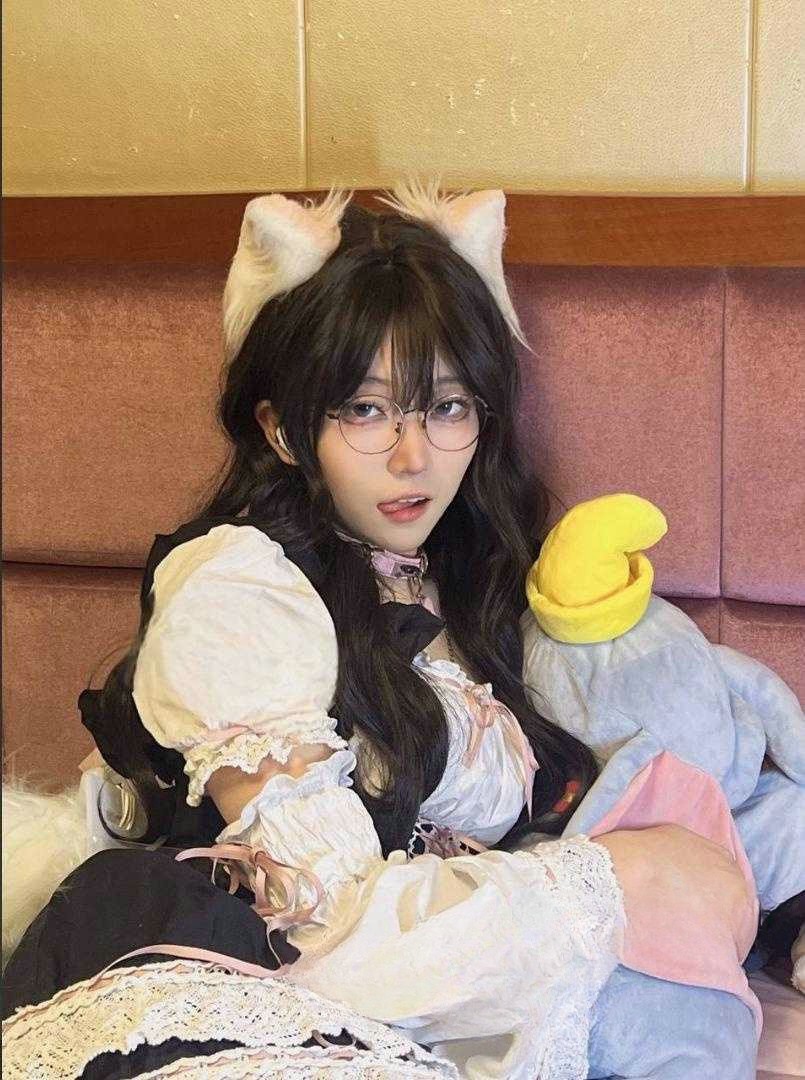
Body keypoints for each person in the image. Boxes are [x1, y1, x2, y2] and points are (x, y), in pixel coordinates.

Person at [1, 179, 757, 1080]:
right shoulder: (235, 589)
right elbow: (325, 930)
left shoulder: (467, 588)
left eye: (446, 407)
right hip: (216, 977)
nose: (413, 455)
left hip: (402, 995)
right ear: (282, 431)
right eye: (364, 410)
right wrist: (608, 884)